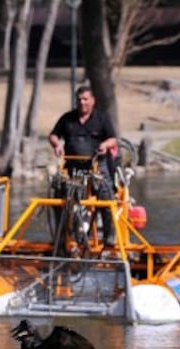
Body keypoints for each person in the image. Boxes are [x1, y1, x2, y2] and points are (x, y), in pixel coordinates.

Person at [48, 86, 118, 246]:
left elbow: (113, 139)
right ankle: (62, 237)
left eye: (85, 99)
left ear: (92, 100)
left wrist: (105, 145)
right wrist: (57, 144)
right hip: (72, 167)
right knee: (60, 198)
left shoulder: (101, 118)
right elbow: (53, 135)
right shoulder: (67, 118)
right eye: (79, 99)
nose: (82, 102)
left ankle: (109, 236)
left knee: (106, 197)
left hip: (96, 166)